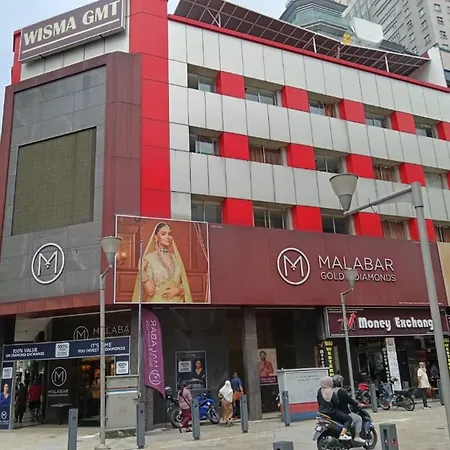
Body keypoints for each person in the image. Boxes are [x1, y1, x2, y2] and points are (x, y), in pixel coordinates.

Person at [132, 222, 193, 303]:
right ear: (156, 237)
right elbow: (150, 292)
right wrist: (142, 271)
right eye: (163, 234)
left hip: (178, 304)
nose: (168, 237)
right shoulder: (149, 259)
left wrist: (178, 290)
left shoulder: (176, 258)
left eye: (169, 234)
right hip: (157, 305)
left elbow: (184, 284)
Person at [332, 375, 366, 444]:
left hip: (334, 412)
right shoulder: (341, 391)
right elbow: (349, 400)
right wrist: (358, 404)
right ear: (340, 383)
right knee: (358, 418)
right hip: (344, 412)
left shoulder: (331, 391)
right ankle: (357, 437)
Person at [317, 376, 352, 441]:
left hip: (322, 412)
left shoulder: (320, 390)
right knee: (348, 419)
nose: (332, 383)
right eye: (331, 381)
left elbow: (319, 401)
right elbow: (336, 402)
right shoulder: (331, 391)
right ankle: (342, 434)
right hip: (331, 412)